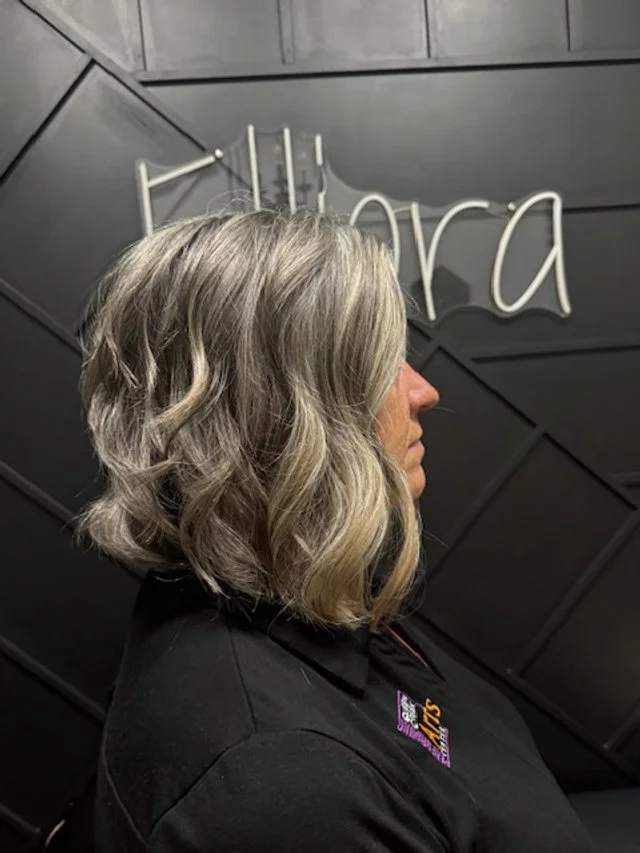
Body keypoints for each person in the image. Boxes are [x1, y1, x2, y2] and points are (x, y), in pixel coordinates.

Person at [78, 209, 595, 851]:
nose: (424, 391)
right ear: (280, 415)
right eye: (379, 365)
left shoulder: (307, 594)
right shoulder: (279, 786)